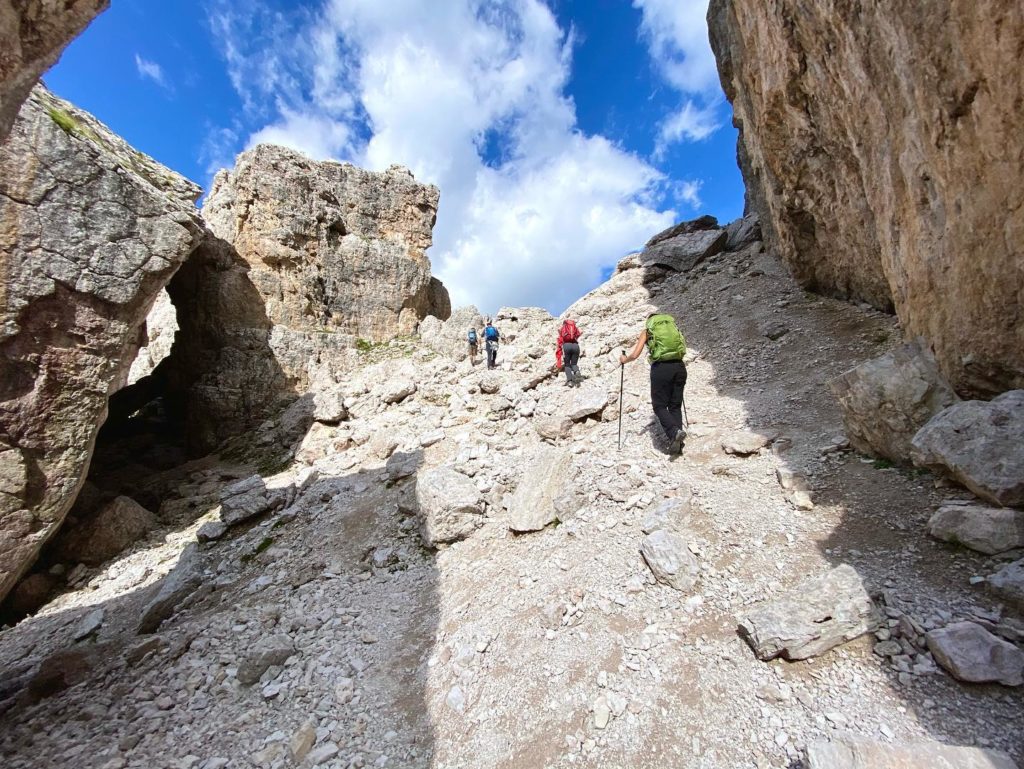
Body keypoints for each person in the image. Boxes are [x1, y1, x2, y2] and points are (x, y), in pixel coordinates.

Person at [619, 313, 687, 452]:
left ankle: (674, 433)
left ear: (650, 322)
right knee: (675, 406)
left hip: (661, 368)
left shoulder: (648, 331)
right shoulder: (672, 327)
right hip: (679, 366)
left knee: (659, 406)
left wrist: (624, 359)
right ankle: (677, 444)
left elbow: (635, 354)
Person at [555, 317, 583, 387]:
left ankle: (570, 381)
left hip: (566, 346)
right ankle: (576, 371)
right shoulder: (575, 328)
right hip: (576, 346)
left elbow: (559, 333)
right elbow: (581, 332)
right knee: (574, 364)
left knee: (567, 365)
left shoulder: (563, 328)